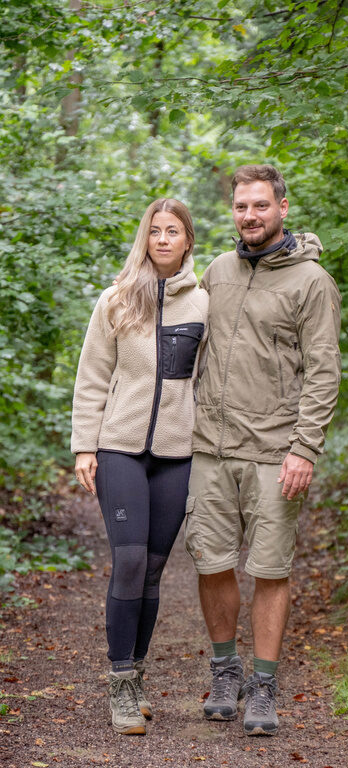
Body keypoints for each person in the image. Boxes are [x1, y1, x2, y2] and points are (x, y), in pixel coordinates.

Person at [184, 165, 342, 736]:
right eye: (240, 207)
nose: (249, 215)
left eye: (259, 205)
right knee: (213, 561)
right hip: (210, 447)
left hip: (276, 450)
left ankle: (264, 682)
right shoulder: (218, 271)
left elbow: (324, 374)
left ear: (282, 207)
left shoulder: (311, 282)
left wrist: (304, 448)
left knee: (270, 568)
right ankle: (226, 670)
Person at [71, 198, 208, 736]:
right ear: (145, 239)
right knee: (128, 561)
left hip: (177, 453)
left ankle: (138, 672)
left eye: (174, 231)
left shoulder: (203, 303)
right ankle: (120, 681)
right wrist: (86, 445)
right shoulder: (117, 299)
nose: (164, 239)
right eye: (155, 231)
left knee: (152, 569)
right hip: (121, 448)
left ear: (188, 239)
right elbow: (91, 376)